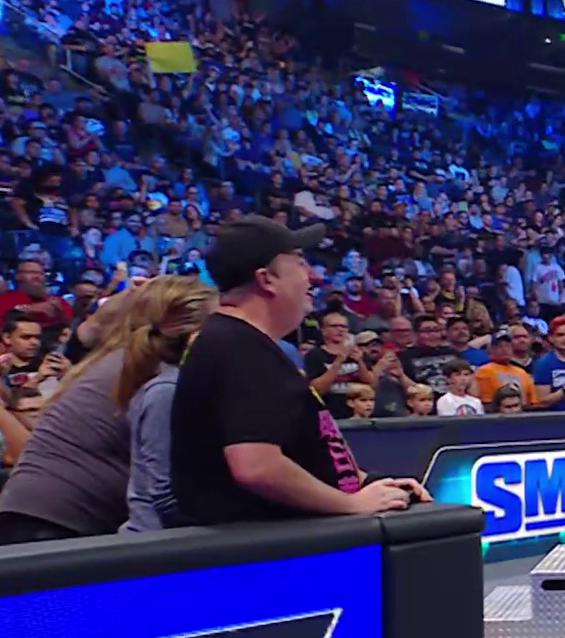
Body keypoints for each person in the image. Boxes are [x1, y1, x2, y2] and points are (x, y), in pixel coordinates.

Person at [170, 216, 425, 524]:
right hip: (266, 543)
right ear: (267, 279)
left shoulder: (243, 342)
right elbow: (256, 466)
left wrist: (370, 484)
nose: (312, 277)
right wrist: (350, 503)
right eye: (300, 263)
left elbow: (299, 450)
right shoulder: (238, 346)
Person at [0, 277, 211, 544]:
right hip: (52, 528)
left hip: (35, 517)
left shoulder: (122, 360)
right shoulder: (157, 379)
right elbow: (165, 493)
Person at [122, 279, 219, 531]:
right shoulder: (167, 392)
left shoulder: (187, 383)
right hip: (160, 544)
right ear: (195, 336)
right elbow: (167, 497)